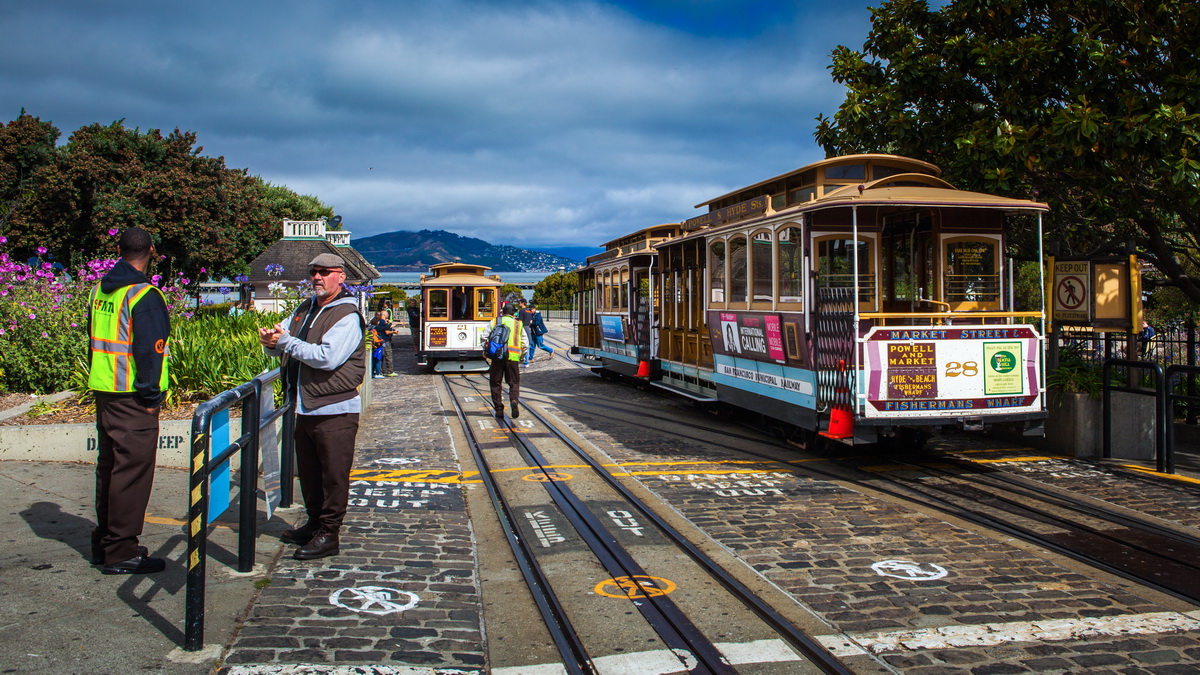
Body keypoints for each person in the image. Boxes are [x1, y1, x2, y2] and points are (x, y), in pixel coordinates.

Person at [259, 253, 366, 561]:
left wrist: (284, 342)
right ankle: (315, 523)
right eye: (313, 272)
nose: (317, 277)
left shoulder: (346, 314)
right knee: (308, 473)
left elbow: (326, 357)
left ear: (340, 276)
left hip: (336, 409)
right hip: (304, 406)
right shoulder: (304, 309)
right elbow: (283, 343)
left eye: (325, 272)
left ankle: (329, 534)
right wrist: (270, 341)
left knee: (333, 475)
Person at [88, 226, 170, 575]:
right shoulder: (144, 295)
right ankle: (122, 551)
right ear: (151, 250)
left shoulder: (100, 291)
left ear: (118, 250)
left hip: (105, 390)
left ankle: (106, 541)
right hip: (133, 397)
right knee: (132, 474)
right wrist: (152, 397)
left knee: (110, 468)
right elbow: (151, 351)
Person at [488, 303, 524, 419]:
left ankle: (498, 409)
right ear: (514, 313)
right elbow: (525, 342)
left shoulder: (495, 322)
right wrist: (522, 354)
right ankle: (514, 400)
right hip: (512, 358)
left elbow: (484, 336)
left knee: (495, 382)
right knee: (514, 382)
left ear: (502, 312)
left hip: (497, 357)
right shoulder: (518, 324)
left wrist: (486, 351)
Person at [368, 309, 397, 377]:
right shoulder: (382, 322)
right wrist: (390, 325)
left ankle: (381, 371)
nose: (388, 315)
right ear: (384, 315)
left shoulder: (381, 322)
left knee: (382, 357)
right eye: (387, 314)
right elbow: (383, 330)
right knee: (387, 356)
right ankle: (388, 371)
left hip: (382, 341)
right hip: (384, 341)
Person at [517, 299, 535, 366]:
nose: (518, 303)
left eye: (519, 302)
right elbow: (530, 321)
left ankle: (525, 362)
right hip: (528, 327)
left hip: (523, 327)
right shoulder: (529, 311)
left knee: (524, 344)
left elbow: (520, 321)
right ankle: (526, 360)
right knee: (528, 343)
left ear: (522, 303)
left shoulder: (521, 311)